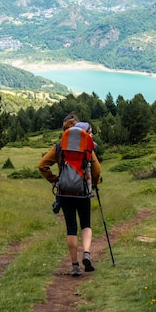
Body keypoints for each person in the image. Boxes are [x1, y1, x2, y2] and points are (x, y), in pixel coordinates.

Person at [38, 113, 102, 276]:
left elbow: (42, 165)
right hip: (82, 192)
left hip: (64, 192)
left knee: (71, 228)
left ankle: (74, 266)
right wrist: (94, 183)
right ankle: (86, 253)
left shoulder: (59, 147)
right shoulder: (86, 145)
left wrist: (55, 180)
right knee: (86, 224)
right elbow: (97, 170)